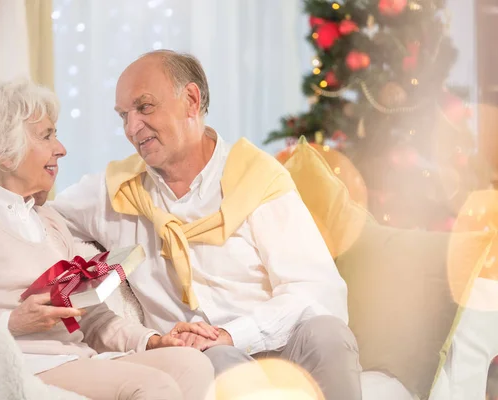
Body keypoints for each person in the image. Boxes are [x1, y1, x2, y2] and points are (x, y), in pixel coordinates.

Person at [51, 50, 362, 400]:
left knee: (328, 335)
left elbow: (319, 291)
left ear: (191, 101)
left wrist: (233, 334)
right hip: (200, 360)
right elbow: (38, 218)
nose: (131, 127)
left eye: (145, 107)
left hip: (277, 342)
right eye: (124, 115)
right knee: (221, 362)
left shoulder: (256, 179)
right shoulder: (114, 191)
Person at [0, 79, 214, 400]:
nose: (61, 148)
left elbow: (90, 316)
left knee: (192, 364)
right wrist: (10, 322)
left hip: (74, 357)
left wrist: (152, 340)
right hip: (22, 363)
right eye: (47, 135)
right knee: (153, 386)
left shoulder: (48, 219)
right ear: (5, 151)